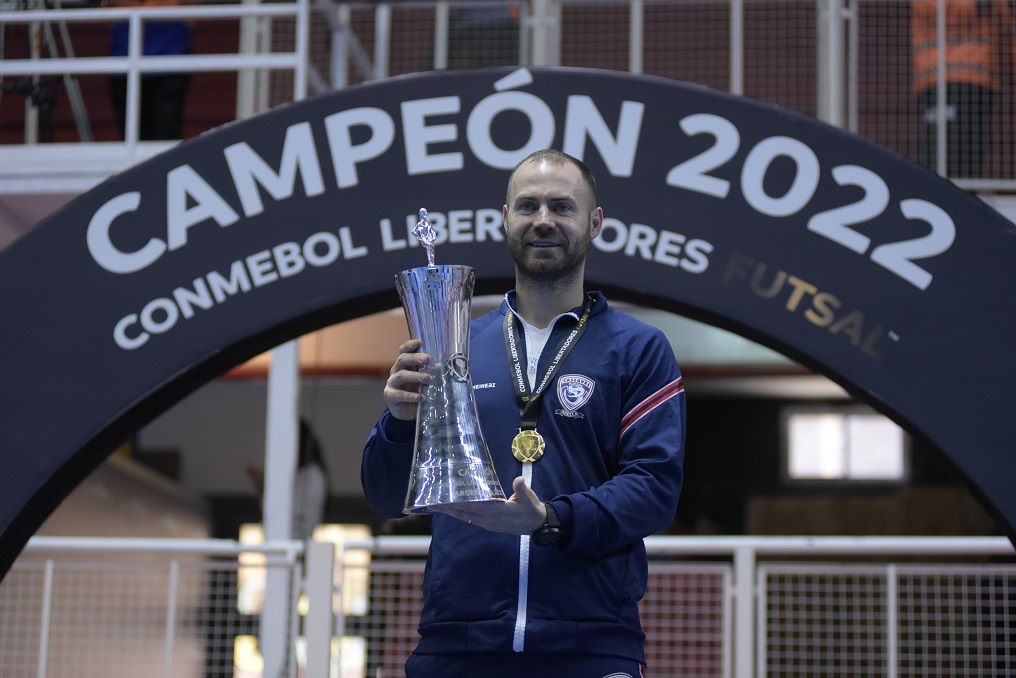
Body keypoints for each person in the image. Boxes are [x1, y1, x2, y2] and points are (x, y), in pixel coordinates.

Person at [361, 149, 686, 677]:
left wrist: (550, 520)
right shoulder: (454, 344)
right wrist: (398, 423)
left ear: (594, 222)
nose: (543, 220)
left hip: (591, 646)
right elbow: (384, 497)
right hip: (457, 644)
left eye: (562, 206)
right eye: (528, 205)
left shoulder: (638, 349)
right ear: (504, 219)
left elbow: (654, 489)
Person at [911, 0, 1015, 177]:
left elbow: (1007, 32)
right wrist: (975, 4)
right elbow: (938, 11)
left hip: (980, 83)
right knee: (941, 150)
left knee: (974, 147)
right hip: (941, 80)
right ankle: (938, 197)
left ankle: (964, 196)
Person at [106, 0, 192, 140]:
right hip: (123, 58)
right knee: (130, 133)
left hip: (169, 57)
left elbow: (184, 6)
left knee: (166, 133)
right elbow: (107, 5)